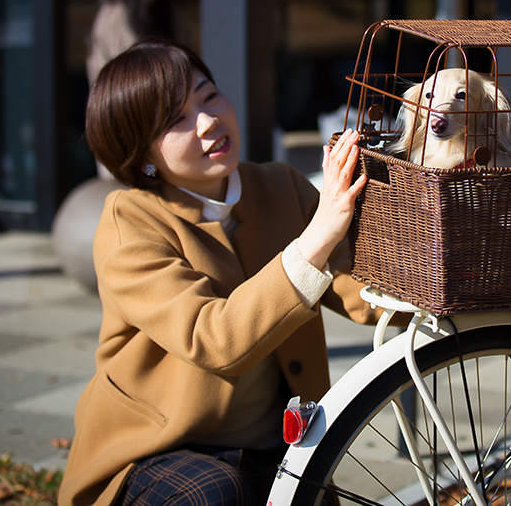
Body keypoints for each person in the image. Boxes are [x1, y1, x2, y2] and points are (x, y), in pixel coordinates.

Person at [58, 39, 381, 506]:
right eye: (176, 120)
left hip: (272, 439)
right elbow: (215, 340)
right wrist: (318, 235)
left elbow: (357, 286)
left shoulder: (278, 186)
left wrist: (438, 289)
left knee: (309, 492)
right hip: (160, 448)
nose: (208, 122)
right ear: (142, 153)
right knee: (215, 494)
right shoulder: (129, 223)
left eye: (208, 96)